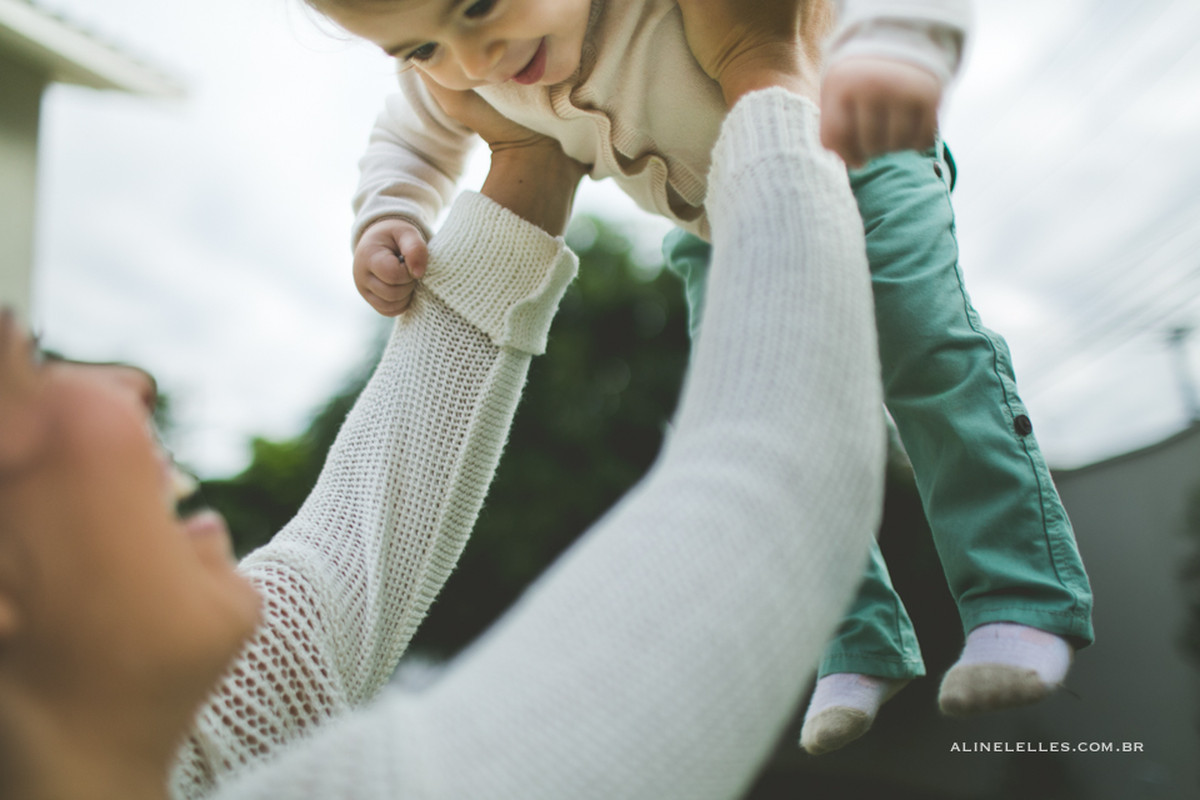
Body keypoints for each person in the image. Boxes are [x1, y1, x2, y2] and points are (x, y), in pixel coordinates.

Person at [0, 42, 886, 800]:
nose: (130, 382)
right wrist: (765, 71)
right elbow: (778, 478)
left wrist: (530, 142)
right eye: (30, 374)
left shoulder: (184, 746)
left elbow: (361, 540)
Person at [308, 0, 1094, 753]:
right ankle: (856, 640)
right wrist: (390, 217)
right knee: (750, 426)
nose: (473, 60)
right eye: (421, 47)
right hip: (718, 225)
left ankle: (1019, 597)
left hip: (861, 149)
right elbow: (407, 140)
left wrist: (897, 47)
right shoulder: (459, 77)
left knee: (922, 347)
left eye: (480, 4)